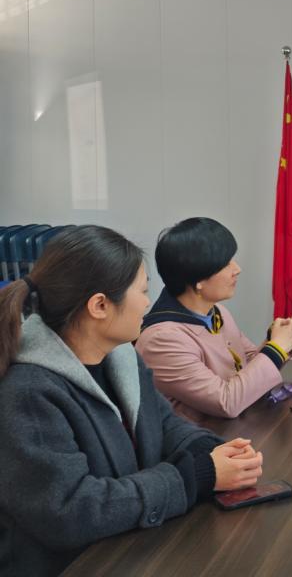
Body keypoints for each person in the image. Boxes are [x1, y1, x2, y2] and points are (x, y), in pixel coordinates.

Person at [0, 225, 264, 577]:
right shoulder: (28, 391)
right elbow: (71, 511)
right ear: (100, 305)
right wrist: (199, 475)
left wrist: (213, 450)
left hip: (132, 549)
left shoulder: (120, 356)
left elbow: (165, 425)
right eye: (142, 291)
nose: (148, 303)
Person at [135, 217, 292, 421]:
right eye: (225, 264)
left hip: (238, 430)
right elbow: (226, 401)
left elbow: (248, 366)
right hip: (207, 437)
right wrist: (277, 347)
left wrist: (282, 339)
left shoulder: (216, 311)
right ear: (198, 280)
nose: (237, 269)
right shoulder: (161, 339)